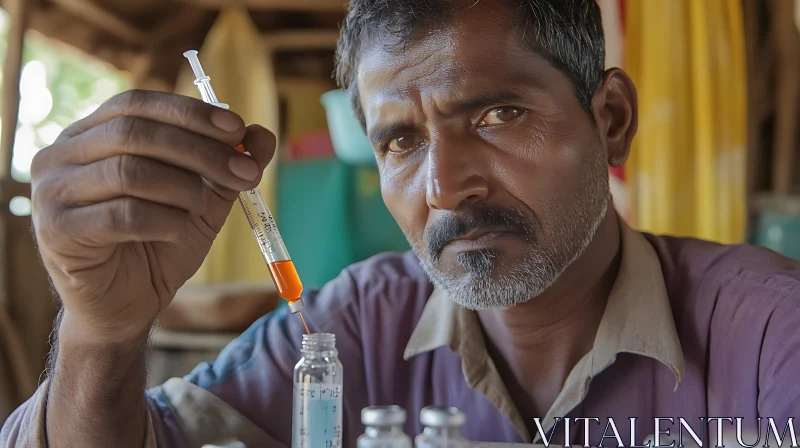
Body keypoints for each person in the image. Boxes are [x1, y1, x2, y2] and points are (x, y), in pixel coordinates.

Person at [3, 0, 800, 446]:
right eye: (401, 140)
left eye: (497, 113)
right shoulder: (347, 326)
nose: (446, 186)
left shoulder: (768, 335)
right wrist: (99, 336)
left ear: (612, 119)